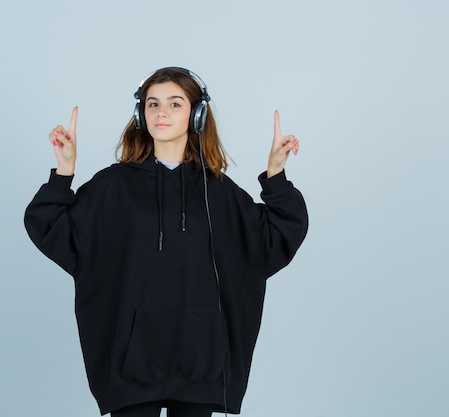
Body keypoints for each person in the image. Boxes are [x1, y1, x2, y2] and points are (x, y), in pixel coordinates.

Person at [24, 67, 308, 417]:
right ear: (140, 115)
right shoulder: (112, 187)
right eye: (153, 103)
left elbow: (274, 238)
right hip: (131, 368)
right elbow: (48, 225)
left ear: (197, 114)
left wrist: (276, 176)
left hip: (200, 362)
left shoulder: (218, 191)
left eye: (176, 104)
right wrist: (64, 172)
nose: (161, 112)